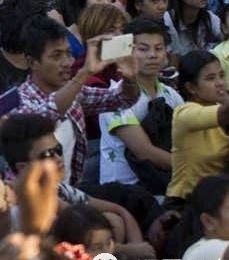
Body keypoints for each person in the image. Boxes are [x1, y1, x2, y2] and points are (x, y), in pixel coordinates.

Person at [17, 15, 140, 185]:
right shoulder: (19, 100)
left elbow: (121, 100)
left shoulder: (73, 92)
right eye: (56, 55)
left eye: (69, 53)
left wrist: (130, 78)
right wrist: (84, 73)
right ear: (32, 62)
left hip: (71, 191)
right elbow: (42, 119)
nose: (67, 62)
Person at [98, 17, 184, 193]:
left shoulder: (171, 94)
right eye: (143, 49)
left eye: (158, 48)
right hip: (124, 190)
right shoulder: (115, 97)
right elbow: (144, 152)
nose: (152, 55)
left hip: (166, 181)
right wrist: (193, 166)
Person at [167, 51, 229, 201]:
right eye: (210, 78)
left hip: (221, 196)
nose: (220, 83)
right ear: (191, 87)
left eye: (221, 75)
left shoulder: (220, 105)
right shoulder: (184, 114)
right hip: (187, 201)